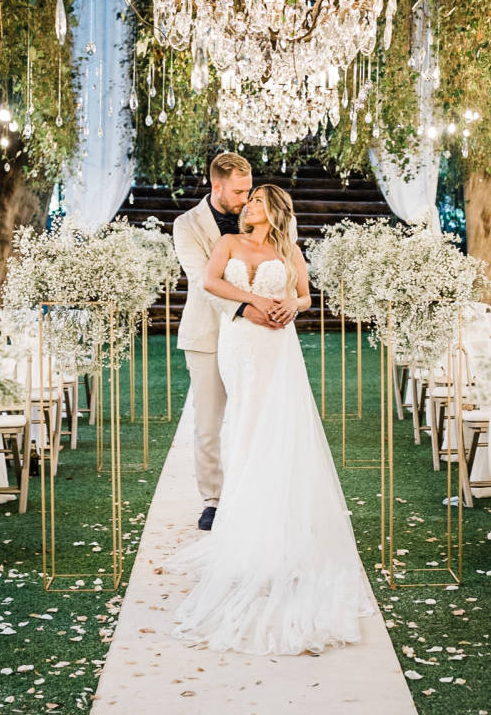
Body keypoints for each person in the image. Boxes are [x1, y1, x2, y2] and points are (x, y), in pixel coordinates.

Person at [166, 184, 377, 655]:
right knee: (245, 420)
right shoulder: (228, 242)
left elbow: (305, 297)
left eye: (258, 201)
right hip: (240, 341)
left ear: (275, 210)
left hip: (277, 343)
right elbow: (210, 282)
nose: (249, 205)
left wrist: (288, 306)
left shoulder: (288, 250)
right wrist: (255, 302)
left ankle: (278, 513)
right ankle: (241, 516)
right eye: (249, 200)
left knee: (278, 421)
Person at [172, 152, 281, 531]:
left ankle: (257, 491)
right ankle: (213, 500)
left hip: (257, 337)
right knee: (208, 423)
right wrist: (246, 308)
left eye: (249, 190)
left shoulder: (257, 215)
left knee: (259, 415)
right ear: (216, 186)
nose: (246, 199)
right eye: (238, 192)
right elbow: (203, 280)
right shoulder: (187, 225)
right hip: (207, 334)